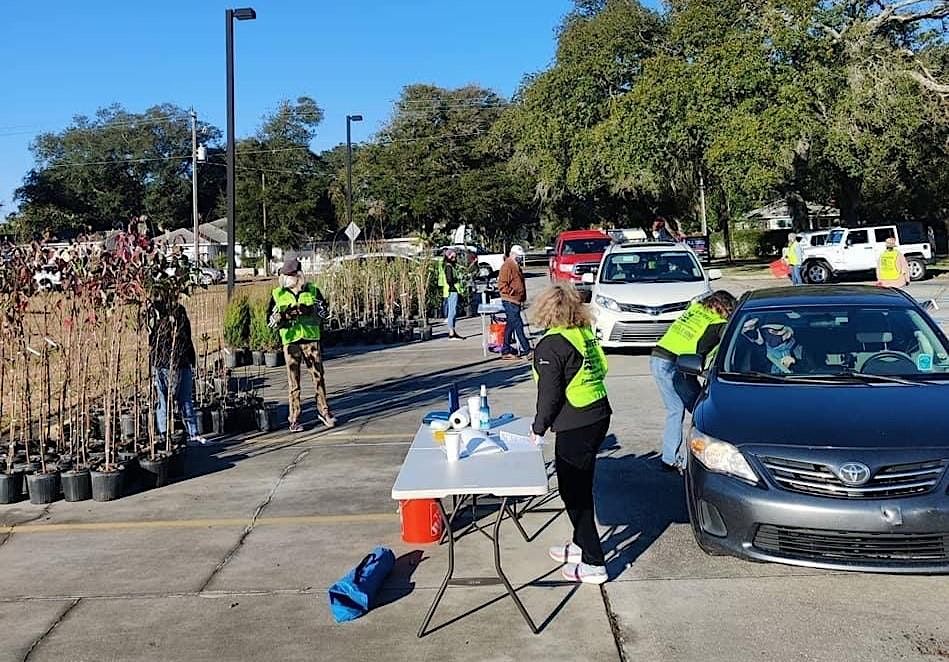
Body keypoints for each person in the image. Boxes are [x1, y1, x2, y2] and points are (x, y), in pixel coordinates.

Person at [531, 283, 612, 585]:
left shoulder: (551, 345)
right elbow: (601, 369)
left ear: (545, 310)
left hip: (576, 422)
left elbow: (549, 395)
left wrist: (538, 428)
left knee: (574, 493)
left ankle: (594, 563)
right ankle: (580, 544)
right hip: (597, 413)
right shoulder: (581, 334)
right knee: (577, 487)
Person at [650, 291, 737, 470]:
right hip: (672, 364)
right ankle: (671, 459)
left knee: (697, 405)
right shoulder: (718, 323)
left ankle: (699, 447)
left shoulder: (697, 308)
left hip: (664, 358)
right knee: (679, 408)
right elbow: (706, 349)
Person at [268, 257, 336, 432]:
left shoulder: (312, 290)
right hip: (291, 342)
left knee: (318, 377)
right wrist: (283, 316)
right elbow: (269, 321)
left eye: (291, 274)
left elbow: (325, 313)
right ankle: (294, 417)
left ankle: (324, 411)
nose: (287, 278)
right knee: (294, 382)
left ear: (299, 275)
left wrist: (311, 310)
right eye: (285, 274)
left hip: (311, 340)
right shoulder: (278, 294)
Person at [150, 299, 209, 445]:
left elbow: (187, 336)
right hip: (162, 363)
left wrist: (191, 359)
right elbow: (152, 339)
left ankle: (193, 433)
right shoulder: (155, 311)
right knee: (164, 401)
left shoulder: (179, 310)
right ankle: (164, 434)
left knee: (186, 400)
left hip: (181, 362)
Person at [497, 244, 532, 360]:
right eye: (518, 256)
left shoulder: (516, 265)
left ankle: (505, 350)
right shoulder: (507, 266)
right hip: (510, 301)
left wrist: (522, 298)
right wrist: (513, 292)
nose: (520, 258)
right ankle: (527, 350)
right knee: (518, 325)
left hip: (516, 301)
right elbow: (502, 284)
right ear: (512, 254)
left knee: (510, 326)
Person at [437, 249, 464, 339]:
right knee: (452, 311)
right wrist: (454, 284)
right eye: (453, 257)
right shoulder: (448, 267)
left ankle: (452, 330)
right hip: (451, 290)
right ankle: (451, 332)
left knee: (453, 311)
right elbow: (449, 279)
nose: (455, 258)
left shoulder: (449, 266)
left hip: (451, 290)